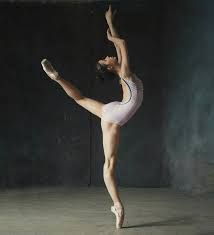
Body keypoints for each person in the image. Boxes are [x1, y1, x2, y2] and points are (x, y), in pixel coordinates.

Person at [41, 5, 143, 229]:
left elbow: (119, 48)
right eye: (105, 59)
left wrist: (109, 22)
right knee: (108, 167)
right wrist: (110, 34)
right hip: (114, 115)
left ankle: (58, 78)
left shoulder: (122, 73)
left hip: (114, 111)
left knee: (80, 100)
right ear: (109, 66)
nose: (108, 56)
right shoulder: (124, 72)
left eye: (107, 57)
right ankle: (117, 206)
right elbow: (122, 44)